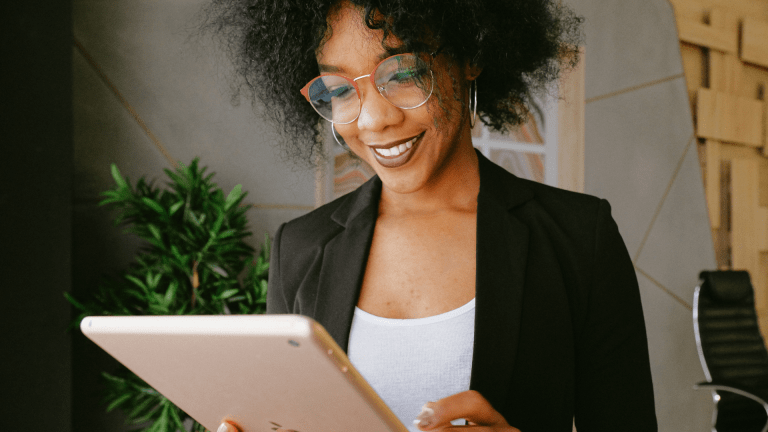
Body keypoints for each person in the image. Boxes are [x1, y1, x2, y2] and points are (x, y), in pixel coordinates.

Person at [205, 0, 658, 431]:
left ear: (471, 54)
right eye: (341, 90)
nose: (372, 121)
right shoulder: (300, 248)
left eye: (403, 73)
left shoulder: (579, 239)